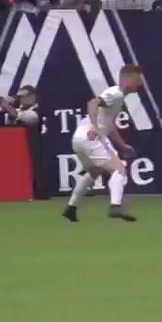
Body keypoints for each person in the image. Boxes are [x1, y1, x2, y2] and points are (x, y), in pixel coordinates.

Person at [63, 64, 145, 223]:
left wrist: (122, 145)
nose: (139, 84)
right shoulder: (116, 92)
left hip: (79, 138)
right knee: (120, 169)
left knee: (94, 172)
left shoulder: (118, 97)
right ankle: (115, 206)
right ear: (126, 78)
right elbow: (92, 103)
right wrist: (94, 126)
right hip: (91, 137)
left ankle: (71, 208)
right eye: (137, 80)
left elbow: (109, 124)